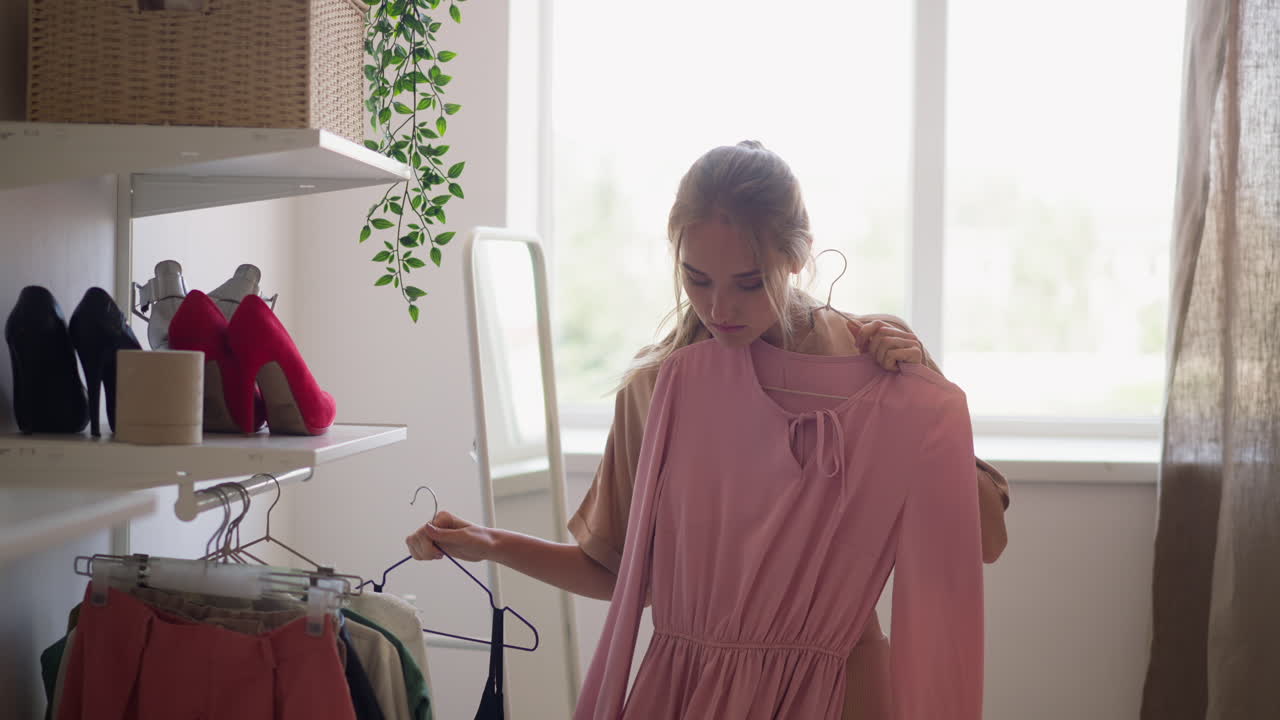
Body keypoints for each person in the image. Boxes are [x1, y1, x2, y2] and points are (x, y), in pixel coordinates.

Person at [406, 140, 1010, 719]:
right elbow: (618, 574)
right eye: (697, 279)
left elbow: (983, 541)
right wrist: (489, 544)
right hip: (695, 694)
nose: (720, 309)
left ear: (797, 257)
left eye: (748, 283)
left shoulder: (881, 365)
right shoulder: (659, 386)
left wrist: (922, 384)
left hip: (844, 691)